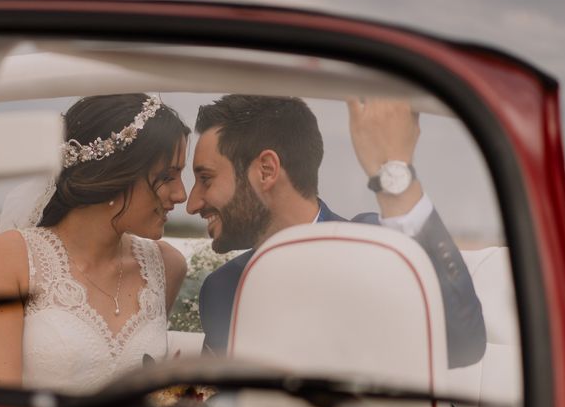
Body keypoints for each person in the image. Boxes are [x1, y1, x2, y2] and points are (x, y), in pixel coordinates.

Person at [189, 95, 486, 369]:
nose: (191, 204)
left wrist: (396, 175)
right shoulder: (220, 290)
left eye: (205, 179)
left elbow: (462, 342)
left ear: (266, 170)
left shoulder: (375, 246)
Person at [0, 93, 189, 393]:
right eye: (168, 176)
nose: (181, 195)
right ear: (116, 172)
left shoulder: (167, 265)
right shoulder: (11, 258)